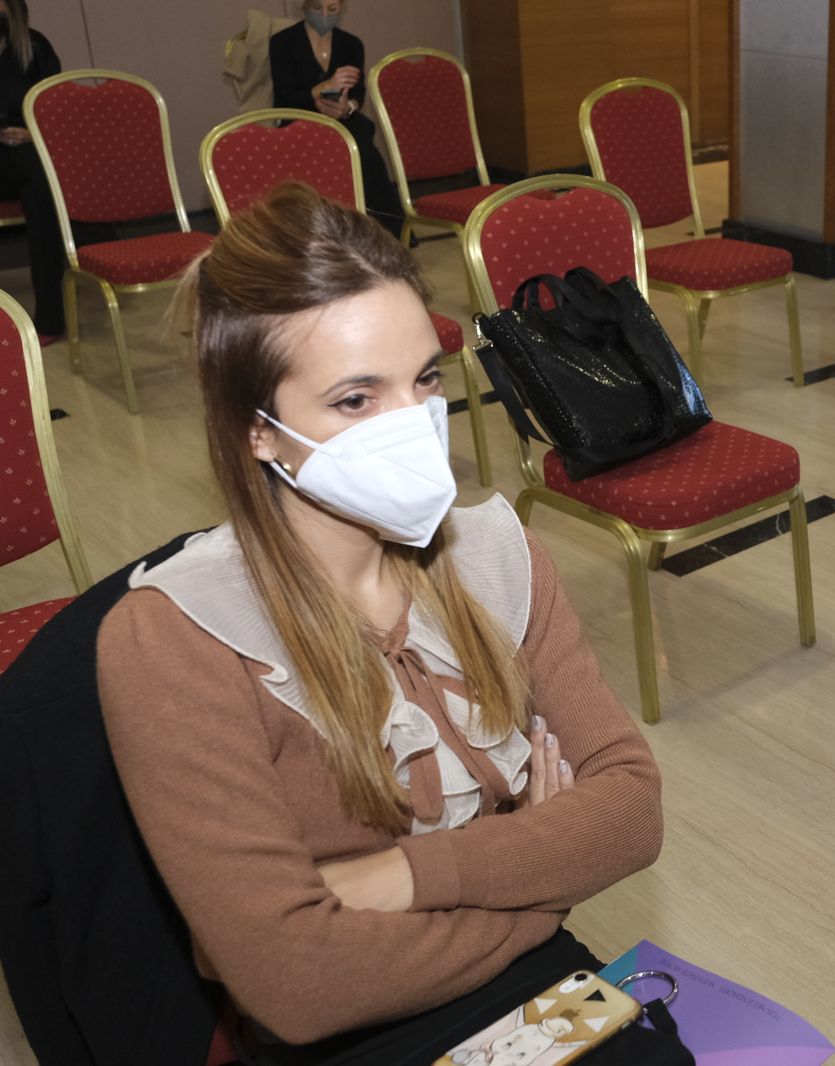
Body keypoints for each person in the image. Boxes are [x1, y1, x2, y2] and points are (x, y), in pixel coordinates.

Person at [96, 184, 677, 1063]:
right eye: (356, 401)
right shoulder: (173, 638)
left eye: (426, 380)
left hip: (527, 984)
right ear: (257, 432)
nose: (412, 427)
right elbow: (297, 983)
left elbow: (631, 812)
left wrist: (402, 876)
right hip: (351, 1034)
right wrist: (544, 878)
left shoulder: (495, 554)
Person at [269, 0, 404, 235]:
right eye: (317, 8)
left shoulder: (351, 44)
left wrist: (347, 107)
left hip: (339, 118)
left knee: (361, 134)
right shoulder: (283, 42)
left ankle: (379, 226)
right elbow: (284, 98)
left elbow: (357, 94)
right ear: (304, 7)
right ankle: (360, 223)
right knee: (356, 142)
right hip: (299, 117)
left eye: (332, 9)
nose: (324, 14)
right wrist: (321, 89)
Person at [0, 0, 65, 343]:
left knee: (36, 193)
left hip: (28, 157)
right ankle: (87, 231)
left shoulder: (36, 47)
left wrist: (32, 133)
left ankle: (50, 320)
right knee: (41, 178)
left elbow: (57, 109)